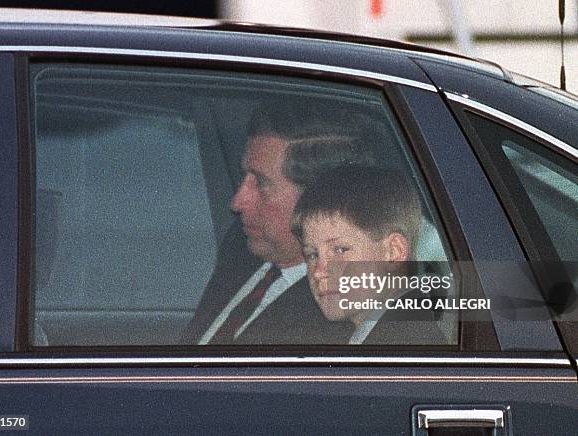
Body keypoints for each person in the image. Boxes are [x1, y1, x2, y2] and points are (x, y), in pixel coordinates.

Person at [182, 102, 377, 345]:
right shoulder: (243, 245)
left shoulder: (336, 307)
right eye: (245, 177)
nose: (237, 202)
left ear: (318, 200)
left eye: (261, 183)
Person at [291, 165, 446, 345]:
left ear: (394, 251)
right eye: (312, 255)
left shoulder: (404, 346)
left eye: (340, 250)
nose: (318, 272)